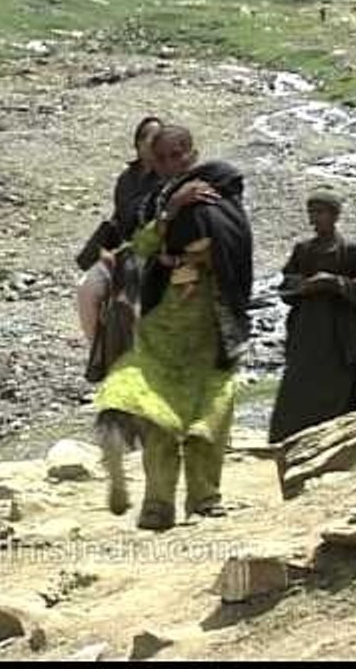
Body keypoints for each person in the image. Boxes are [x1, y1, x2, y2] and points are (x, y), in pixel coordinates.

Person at [95, 125, 252, 530]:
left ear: (194, 151)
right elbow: (140, 247)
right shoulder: (154, 198)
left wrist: (202, 258)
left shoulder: (222, 191)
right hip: (162, 323)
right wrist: (169, 215)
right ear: (152, 158)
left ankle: (205, 498)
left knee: (209, 411)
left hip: (208, 321)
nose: (172, 163)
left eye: (179, 154)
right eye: (163, 157)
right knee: (158, 415)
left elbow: (234, 245)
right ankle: (157, 504)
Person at [269, 189, 356, 444]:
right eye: (312, 213)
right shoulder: (303, 250)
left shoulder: (352, 252)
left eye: (320, 212)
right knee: (297, 394)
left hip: (341, 342)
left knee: (342, 399)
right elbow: (286, 288)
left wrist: (336, 284)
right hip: (306, 338)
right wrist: (303, 286)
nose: (315, 219)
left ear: (335, 215)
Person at [76, 116, 162, 345]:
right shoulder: (126, 179)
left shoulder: (168, 179)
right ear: (138, 143)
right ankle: (99, 351)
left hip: (153, 257)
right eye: (148, 137)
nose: (153, 143)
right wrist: (106, 251)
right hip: (121, 252)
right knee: (87, 289)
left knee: (129, 302)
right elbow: (118, 218)